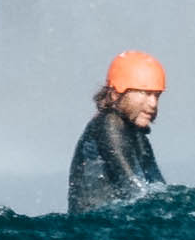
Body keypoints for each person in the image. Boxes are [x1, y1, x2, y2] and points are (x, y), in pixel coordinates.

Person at [70, 49, 169, 211]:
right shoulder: (109, 124)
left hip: (116, 220)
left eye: (157, 95)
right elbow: (134, 189)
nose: (153, 104)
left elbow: (158, 187)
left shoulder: (137, 134)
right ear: (116, 94)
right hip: (95, 225)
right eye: (145, 93)